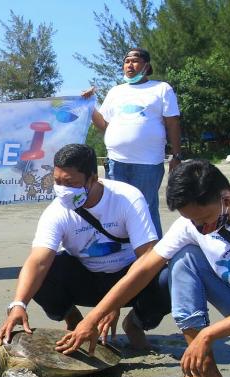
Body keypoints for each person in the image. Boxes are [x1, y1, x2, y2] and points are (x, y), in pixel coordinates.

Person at [57, 159, 230, 377]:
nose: (199, 228)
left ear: (225, 200)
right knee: (184, 257)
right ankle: (204, 371)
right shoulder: (192, 224)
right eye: (192, 221)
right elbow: (144, 268)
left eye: (205, 221)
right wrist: (92, 319)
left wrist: (209, 334)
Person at [0, 144, 170, 348]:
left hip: (128, 275)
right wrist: (18, 304)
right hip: (87, 277)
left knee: (169, 278)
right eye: (57, 181)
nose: (63, 190)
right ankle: (73, 320)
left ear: (93, 179)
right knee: (41, 274)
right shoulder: (57, 211)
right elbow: (38, 261)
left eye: (70, 183)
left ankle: (135, 324)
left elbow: (148, 258)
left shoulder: (127, 198)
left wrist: (112, 305)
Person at [85, 48, 182, 237]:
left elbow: (173, 122)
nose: (129, 64)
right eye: (126, 61)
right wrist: (89, 104)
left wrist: (176, 156)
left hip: (148, 162)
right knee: (116, 210)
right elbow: (104, 124)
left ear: (147, 66)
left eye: (135, 60)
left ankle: (153, 257)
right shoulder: (116, 91)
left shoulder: (161, 88)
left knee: (145, 208)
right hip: (116, 161)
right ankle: (125, 255)